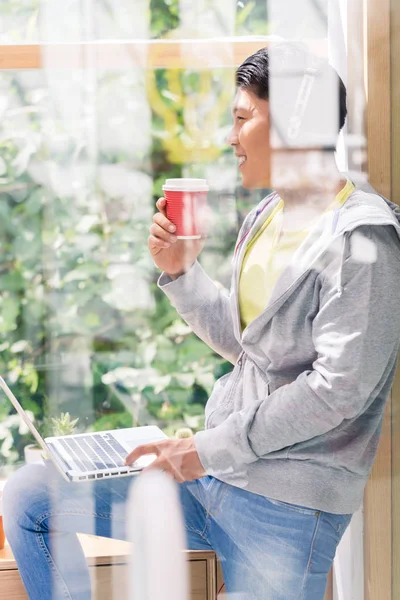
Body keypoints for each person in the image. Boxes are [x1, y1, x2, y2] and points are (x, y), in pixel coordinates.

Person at [3, 43, 400, 600]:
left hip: (285, 510)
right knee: (31, 497)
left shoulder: (362, 239)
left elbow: (339, 390)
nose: (230, 136)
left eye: (242, 118)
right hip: (217, 476)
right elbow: (251, 351)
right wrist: (182, 274)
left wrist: (203, 450)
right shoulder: (269, 214)